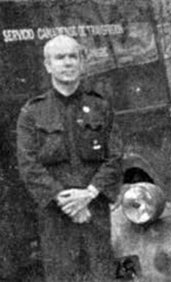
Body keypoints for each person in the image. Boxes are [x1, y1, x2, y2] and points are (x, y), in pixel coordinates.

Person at [16, 35, 123, 282]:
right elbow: (28, 165)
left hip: (94, 211)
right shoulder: (32, 112)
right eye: (60, 57)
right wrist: (65, 201)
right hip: (56, 217)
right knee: (62, 276)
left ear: (81, 62)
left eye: (72, 56)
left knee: (101, 275)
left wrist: (89, 194)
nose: (67, 63)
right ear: (48, 65)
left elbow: (115, 156)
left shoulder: (100, 106)